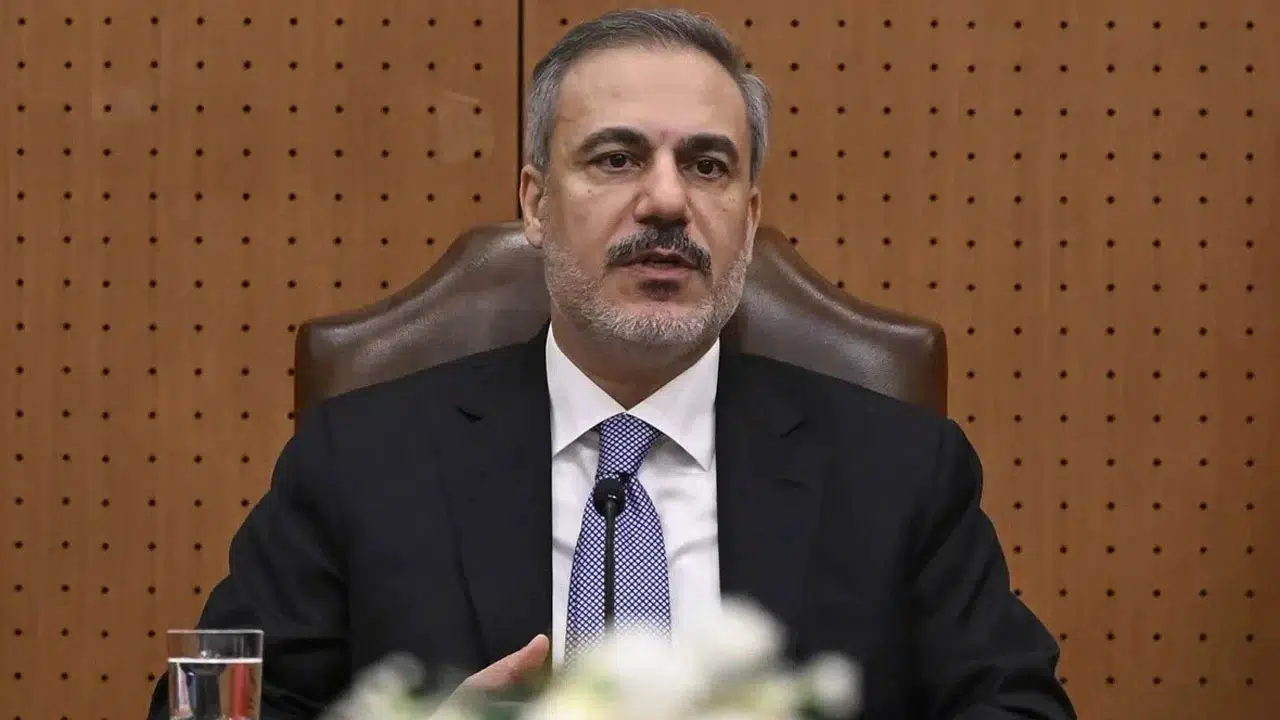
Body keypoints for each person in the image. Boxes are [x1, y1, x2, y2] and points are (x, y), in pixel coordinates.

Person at [146, 8, 1076, 720]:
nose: (666, 201)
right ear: (536, 203)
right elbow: (202, 714)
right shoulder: (357, 464)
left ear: (749, 217)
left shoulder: (901, 474)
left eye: (707, 166)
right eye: (617, 158)